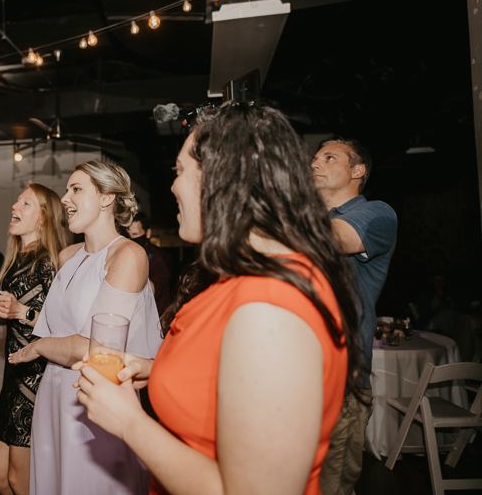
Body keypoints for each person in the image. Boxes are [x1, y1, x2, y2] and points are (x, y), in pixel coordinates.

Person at [74, 103, 363, 495]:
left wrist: (130, 422)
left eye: (179, 171)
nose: (172, 186)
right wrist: (153, 368)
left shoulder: (273, 309)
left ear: (222, 177)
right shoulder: (240, 278)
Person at [9, 161, 163, 495]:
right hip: (53, 391)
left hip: (97, 395)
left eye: (76, 189)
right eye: (67, 190)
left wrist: (37, 347)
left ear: (107, 198)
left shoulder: (127, 255)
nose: (65, 198)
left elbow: (94, 348)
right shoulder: (68, 256)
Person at [0, 183, 70, 495]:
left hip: (35, 377)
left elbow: (58, 324)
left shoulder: (49, 262)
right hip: (12, 373)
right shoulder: (15, 257)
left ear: (44, 218)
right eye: (17, 201)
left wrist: (23, 313)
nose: (14, 207)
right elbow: (8, 312)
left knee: (20, 480)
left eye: (25, 203)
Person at [311, 135, 397, 495]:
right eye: (314, 158)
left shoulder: (377, 212)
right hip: (296, 373)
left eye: (329, 158)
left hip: (343, 378)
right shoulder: (307, 218)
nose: (315, 164)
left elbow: (336, 239)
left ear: (357, 171)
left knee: (332, 486)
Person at [127, 212, 172, 316]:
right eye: (128, 235)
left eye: (135, 235)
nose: (131, 239)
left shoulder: (160, 258)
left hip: (155, 319)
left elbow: (155, 291)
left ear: (148, 233)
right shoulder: (127, 253)